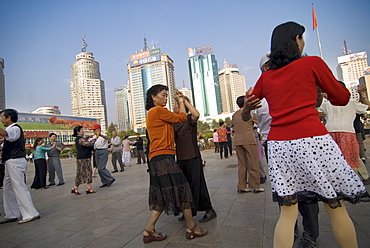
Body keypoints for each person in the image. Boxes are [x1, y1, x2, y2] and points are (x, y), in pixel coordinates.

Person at [242, 22, 368, 248]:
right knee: (335, 206)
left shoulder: (267, 77)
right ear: (297, 40)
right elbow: (341, 98)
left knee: (287, 213)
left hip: (279, 145)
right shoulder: (312, 63)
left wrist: (246, 107)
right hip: (313, 140)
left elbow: (251, 101)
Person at [256, 53, 321, 247]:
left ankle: (310, 233)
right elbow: (247, 115)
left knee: (307, 191)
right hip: (274, 145)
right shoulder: (261, 93)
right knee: (284, 191)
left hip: (300, 140)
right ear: (265, 69)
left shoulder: (292, 84)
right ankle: (290, 227)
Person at [143, 84, 207, 244]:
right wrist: (181, 100)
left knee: (162, 196)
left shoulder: (154, 113)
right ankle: (191, 226)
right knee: (183, 188)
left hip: (157, 159)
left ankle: (149, 230)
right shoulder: (157, 111)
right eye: (163, 95)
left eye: (166, 95)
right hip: (163, 157)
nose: (165, 98)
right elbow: (181, 117)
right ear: (153, 97)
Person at [173, 96, 217, 222]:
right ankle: (188, 211)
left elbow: (196, 114)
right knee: (184, 186)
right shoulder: (175, 122)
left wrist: (183, 100)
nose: (174, 107)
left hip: (193, 156)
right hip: (181, 158)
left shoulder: (189, 119)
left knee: (198, 185)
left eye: (176, 105)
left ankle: (209, 210)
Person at [0, 109, 40, 224]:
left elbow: (6, 134)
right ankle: (12, 214)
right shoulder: (10, 130)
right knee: (7, 187)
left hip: (15, 161)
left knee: (19, 187)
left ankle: (31, 213)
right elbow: (3, 146)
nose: (1, 120)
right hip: (10, 162)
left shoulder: (15, 128)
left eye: (2, 117)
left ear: (9, 118)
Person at [318, 83, 369, 174]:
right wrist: (362, 94)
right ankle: (353, 183)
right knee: (351, 161)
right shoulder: (351, 102)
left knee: (333, 161)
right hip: (347, 132)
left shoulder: (326, 103)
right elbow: (367, 107)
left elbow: (317, 112)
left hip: (329, 133)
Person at [231, 96, 264, 194]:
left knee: (242, 165)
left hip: (238, 141)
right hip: (249, 140)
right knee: (253, 163)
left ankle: (242, 186)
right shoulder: (250, 113)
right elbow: (260, 123)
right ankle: (255, 186)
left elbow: (232, 125)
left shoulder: (235, 114)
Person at [71, 126, 97, 195]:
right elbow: (87, 144)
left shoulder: (79, 139)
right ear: (78, 132)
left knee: (81, 173)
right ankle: (88, 188)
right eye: (82, 130)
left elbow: (84, 140)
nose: (83, 131)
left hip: (81, 158)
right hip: (84, 158)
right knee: (87, 172)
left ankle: (76, 187)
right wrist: (94, 139)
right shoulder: (80, 139)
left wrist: (89, 137)